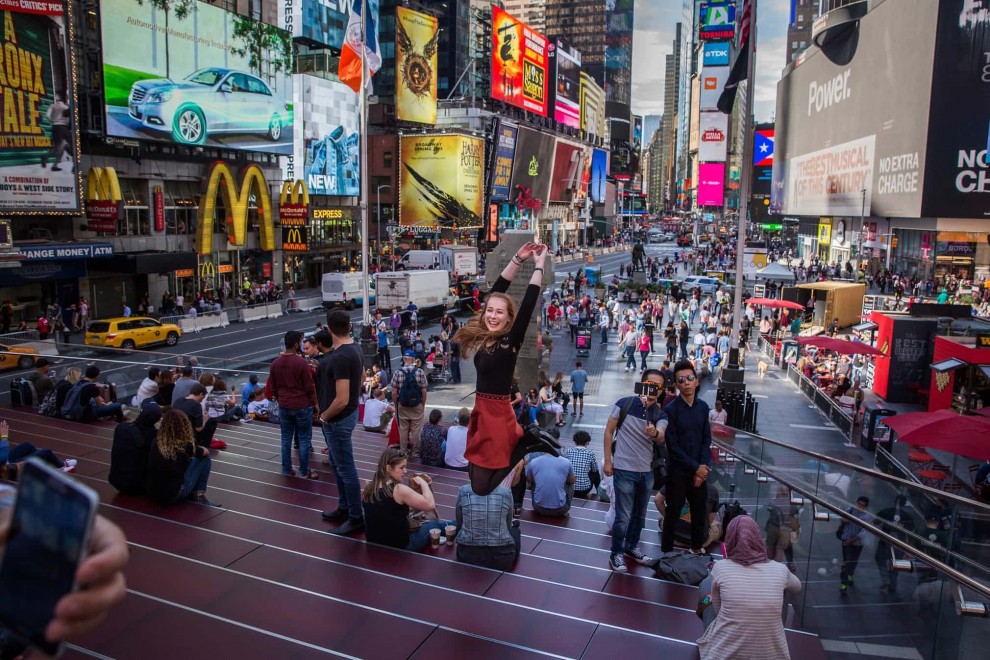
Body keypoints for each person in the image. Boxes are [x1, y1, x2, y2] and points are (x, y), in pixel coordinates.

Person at [452, 242, 558, 497]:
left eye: (499, 313)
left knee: (481, 487)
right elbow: (496, 292)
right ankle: (524, 445)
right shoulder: (483, 334)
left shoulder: (510, 341)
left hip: (497, 414)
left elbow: (530, 300)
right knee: (472, 473)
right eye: (489, 311)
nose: (492, 315)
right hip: (482, 409)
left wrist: (539, 266)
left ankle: (524, 446)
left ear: (509, 319)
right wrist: (517, 259)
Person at [696, 516, 802, 659]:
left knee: (706, 584)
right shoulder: (780, 570)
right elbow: (797, 587)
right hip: (771, 656)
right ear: (757, 538)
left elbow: (717, 610)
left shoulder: (720, 568)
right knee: (783, 589)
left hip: (722, 655)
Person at [602, 369, 668, 572]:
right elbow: (609, 430)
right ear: (642, 383)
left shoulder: (660, 413)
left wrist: (654, 432)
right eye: (650, 383)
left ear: (662, 390)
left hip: (646, 472)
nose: (653, 388)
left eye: (658, 386)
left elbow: (662, 436)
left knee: (640, 515)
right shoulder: (625, 403)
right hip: (623, 468)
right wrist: (607, 461)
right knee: (623, 515)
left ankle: (631, 547)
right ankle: (616, 554)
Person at [315, 316, 365, 535]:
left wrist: (324, 417)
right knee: (338, 465)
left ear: (329, 329)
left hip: (338, 419)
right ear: (350, 327)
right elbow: (362, 377)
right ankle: (345, 508)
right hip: (348, 415)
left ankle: (355, 516)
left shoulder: (339, 357)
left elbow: (341, 399)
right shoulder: (355, 349)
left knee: (345, 469)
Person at [661, 360, 713, 555]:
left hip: (699, 471)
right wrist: (696, 468)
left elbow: (706, 440)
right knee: (673, 514)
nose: (686, 383)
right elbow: (672, 447)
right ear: (676, 385)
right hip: (678, 472)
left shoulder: (703, 407)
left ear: (696, 381)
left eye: (690, 378)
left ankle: (696, 549)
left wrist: (703, 468)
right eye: (681, 380)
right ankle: (666, 553)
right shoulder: (671, 410)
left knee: (700, 513)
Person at [361, 447, 450, 551]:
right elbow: (430, 504)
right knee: (433, 525)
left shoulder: (368, 487)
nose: (405, 471)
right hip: (401, 544)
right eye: (401, 467)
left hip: (373, 541)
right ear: (389, 468)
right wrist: (424, 483)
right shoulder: (398, 489)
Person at [269, 330, 320, 479]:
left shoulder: (275, 363)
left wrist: (281, 399)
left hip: (284, 405)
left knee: (285, 438)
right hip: (302, 405)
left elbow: (273, 388)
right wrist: (315, 404)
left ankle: (286, 469)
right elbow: (310, 387)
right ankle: (304, 471)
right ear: (296, 343)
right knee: (304, 439)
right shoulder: (301, 363)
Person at [455, 461, 523, 570]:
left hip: (467, 555)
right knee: (516, 530)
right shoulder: (506, 492)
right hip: (502, 558)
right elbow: (507, 524)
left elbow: (460, 522)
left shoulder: (464, 491)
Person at [146, 410, 220, 507]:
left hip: (152, 493)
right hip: (173, 495)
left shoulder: (156, 442)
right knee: (205, 459)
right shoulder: (184, 445)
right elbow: (205, 452)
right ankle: (199, 495)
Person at [108, 400, 163, 495]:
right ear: (157, 419)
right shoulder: (155, 437)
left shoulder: (121, 428)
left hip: (115, 480)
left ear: (140, 413)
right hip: (139, 485)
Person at [391, 350, 428, 455]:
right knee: (416, 429)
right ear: (413, 359)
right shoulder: (420, 372)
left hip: (402, 405)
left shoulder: (398, 372)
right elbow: (424, 391)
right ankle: (415, 452)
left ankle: (403, 451)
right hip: (417, 404)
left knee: (403, 429)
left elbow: (394, 392)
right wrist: (423, 404)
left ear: (403, 359)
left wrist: (396, 403)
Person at [525, 452, 576, 517]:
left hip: (538, 508)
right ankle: (563, 503)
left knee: (533, 481)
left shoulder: (533, 461)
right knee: (570, 483)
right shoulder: (566, 462)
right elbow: (572, 481)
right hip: (561, 509)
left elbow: (529, 480)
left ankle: (541, 500)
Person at [171, 383, 218, 450]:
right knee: (212, 422)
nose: (202, 400)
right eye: (203, 397)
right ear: (201, 394)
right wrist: (205, 419)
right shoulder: (196, 405)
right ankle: (204, 447)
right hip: (188, 434)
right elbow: (198, 428)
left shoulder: (179, 400)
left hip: (175, 431)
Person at [839, 496, 871, 594]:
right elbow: (842, 519)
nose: (859, 507)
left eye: (862, 506)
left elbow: (863, 532)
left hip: (857, 543)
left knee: (853, 561)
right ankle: (843, 584)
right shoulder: (849, 510)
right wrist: (844, 519)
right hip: (846, 540)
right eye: (858, 504)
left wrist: (852, 540)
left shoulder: (866, 516)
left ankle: (850, 574)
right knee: (846, 562)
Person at [563, 430, 600, 498]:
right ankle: (599, 492)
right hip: (584, 490)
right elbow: (594, 470)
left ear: (575, 441)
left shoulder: (568, 451)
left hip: (569, 488)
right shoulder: (590, 453)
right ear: (587, 442)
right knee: (595, 472)